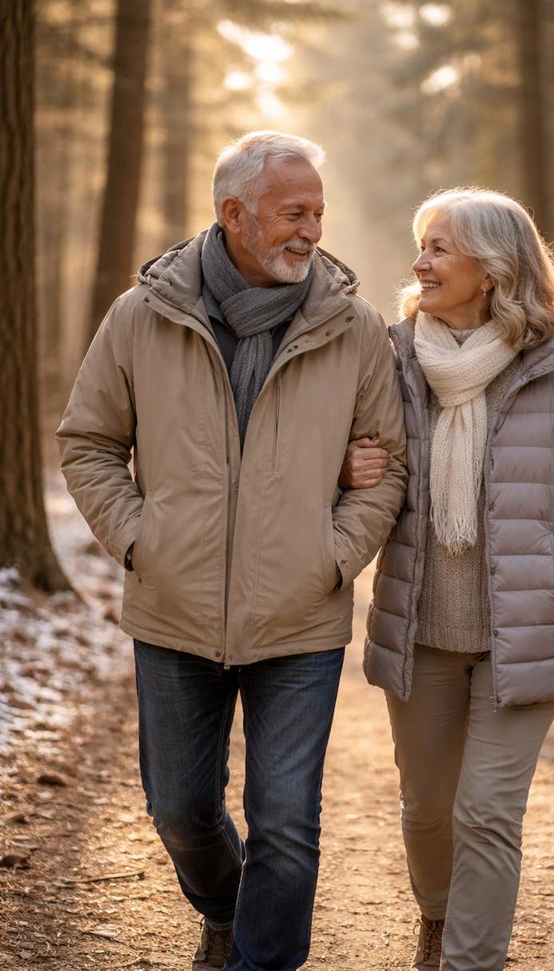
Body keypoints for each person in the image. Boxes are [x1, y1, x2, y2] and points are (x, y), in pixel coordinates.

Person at [57, 130, 407, 971]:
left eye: (318, 213)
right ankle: (222, 903)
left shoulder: (353, 327)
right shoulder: (144, 315)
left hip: (299, 618)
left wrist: (332, 556)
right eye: (294, 213)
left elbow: (387, 468)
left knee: (287, 819)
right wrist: (142, 540)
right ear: (234, 214)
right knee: (179, 808)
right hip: (173, 612)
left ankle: (262, 959)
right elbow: (88, 442)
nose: (312, 230)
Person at [342, 187, 554, 971]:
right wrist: (347, 466)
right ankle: (437, 919)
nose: (419, 262)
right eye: (421, 244)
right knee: (428, 809)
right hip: (421, 636)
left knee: (486, 812)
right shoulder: (391, 361)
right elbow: (344, 463)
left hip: (525, 641)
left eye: (440, 247)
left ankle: (473, 960)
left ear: (495, 267)